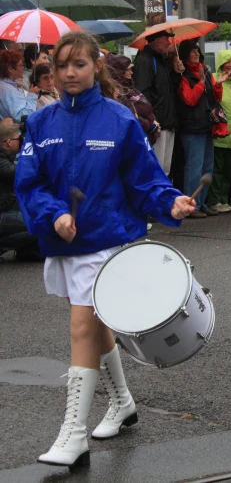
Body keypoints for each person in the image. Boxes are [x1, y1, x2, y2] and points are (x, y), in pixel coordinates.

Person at [14, 31, 195, 468]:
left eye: (79, 64)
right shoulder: (40, 123)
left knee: (82, 328)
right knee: (98, 328)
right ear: (53, 71)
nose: (70, 73)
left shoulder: (120, 119)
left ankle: (74, 435)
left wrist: (169, 200)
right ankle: (123, 403)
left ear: (97, 66)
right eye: (62, 66)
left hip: (107, 242)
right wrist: (55, 213)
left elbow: (144, 178)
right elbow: (30, 183)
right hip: (66, 241)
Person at [176, 39, 231, 218]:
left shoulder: (206, 70)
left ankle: (204, 202)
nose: (196, 54)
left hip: (207, 124)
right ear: (185, 55)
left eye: (197, 51)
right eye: (192, 51)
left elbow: (215, 97)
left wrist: (218, 84)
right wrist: (200, 81)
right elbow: (189, 99)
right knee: (194, 167)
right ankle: (193, 205)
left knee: (207, 166)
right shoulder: (182, 75)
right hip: (192, 127)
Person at [133, 30, 182, 177]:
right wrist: (152, 121)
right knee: (157, 169)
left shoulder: (162, 61)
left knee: (165, 169)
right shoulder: (145, 60)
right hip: (157, 125)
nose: (169, 42)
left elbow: (168, 92)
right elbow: (142, 94)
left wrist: (175, 73)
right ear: (157, 40)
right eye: (166, 38)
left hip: (168, 122)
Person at [208, 50, 231, 213]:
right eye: (227, 62)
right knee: (218, 168)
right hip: (219, 129)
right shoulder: (213, 78)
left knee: (229, 168)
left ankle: (224, 199)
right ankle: (214, 201)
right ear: (220, 64)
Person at [0, 121, 39, 259]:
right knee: (38, 223)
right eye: (19, 138)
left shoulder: (5, 157)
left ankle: (28, 251)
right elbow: (26, 175)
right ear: (9, 142)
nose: (21, 140)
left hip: (6, 207)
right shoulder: (2, 164)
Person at [105, 54, 160, 146]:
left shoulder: (130, 88)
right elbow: (130, 114)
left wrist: (155, 123)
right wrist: (150, 126)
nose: (131, 72)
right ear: (119, 71)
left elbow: (147, 107)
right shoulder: (117, 91)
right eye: (128, 69)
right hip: (133, 139)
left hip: (146, 136)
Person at [0, 50, 38, 122]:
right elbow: (23, 116)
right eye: (20, 65)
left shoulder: (5, 86)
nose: (23, 68)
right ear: (10, 69)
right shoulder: (8, 90)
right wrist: (32, 95)